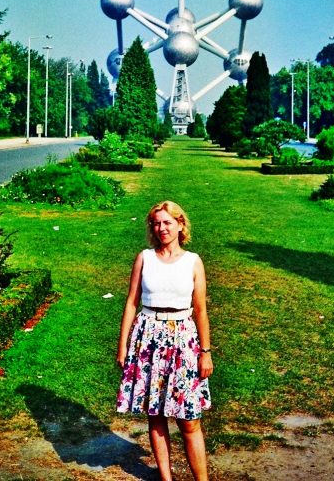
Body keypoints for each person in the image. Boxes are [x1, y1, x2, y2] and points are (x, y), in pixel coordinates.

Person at [116, 200, 213, 481]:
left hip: (183, 340)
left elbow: (201, 310)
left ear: (181, 225)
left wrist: (205, 352)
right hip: (147, 339)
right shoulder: (144, 258)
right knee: (155, 414)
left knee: (188, 419)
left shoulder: (193, 262)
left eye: (168, 222)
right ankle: (165, 478)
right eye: (157, 223)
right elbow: (131, 303)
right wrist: (123, 346)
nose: (162, 228)